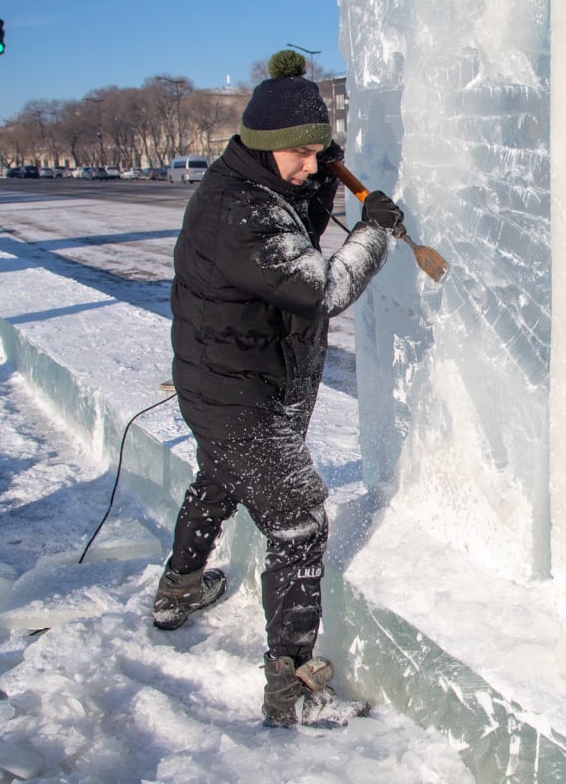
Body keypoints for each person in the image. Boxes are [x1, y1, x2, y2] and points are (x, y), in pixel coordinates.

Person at [151, 50, 404, 728]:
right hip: (236, 393)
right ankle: (290, 687)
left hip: (234, 380)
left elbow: (299, 212)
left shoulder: (258, 181)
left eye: (319, 153)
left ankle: (177, 588)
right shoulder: (241, 211)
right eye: (302, 155)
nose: (312, 166)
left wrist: (317, 171)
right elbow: (321, 286)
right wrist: (376, 231)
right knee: (300, 519)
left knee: (220, 475)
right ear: (268, 148)